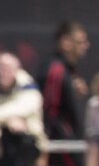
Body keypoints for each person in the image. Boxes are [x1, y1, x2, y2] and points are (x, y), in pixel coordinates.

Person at [38, 21, 91, 152]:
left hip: (71, 143)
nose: (86, 45)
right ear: (66, 42)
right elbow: (49, 114)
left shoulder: (68, 70)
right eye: (80, 42)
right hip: (60, 148)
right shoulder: (56, 70)